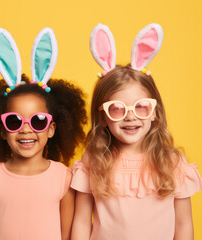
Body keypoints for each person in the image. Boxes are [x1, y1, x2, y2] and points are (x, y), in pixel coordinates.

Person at [71, 23, 202, 240]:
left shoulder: (173, 162)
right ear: (103, 116)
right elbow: (81, 223)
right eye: (117, 109)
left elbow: (184, 224)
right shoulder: (93, 161)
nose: (130, 116)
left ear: (154, 112)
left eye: (141, 106)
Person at [0, 27, 87, 240]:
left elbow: (66, 234)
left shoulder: (64, 177)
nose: (25, 129)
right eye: (14, 121)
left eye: (38, 121)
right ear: (2, 130)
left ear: (51, 129)